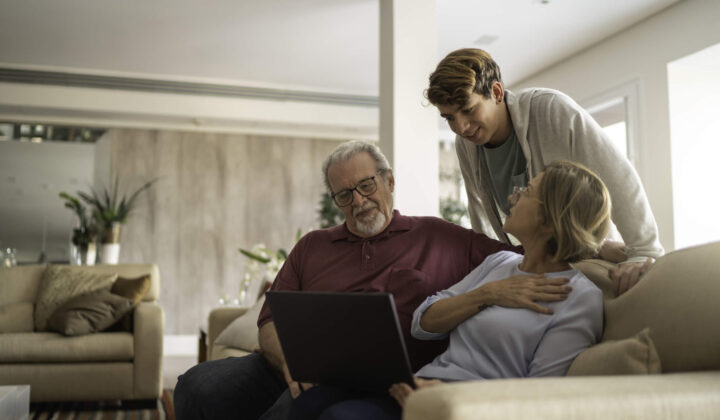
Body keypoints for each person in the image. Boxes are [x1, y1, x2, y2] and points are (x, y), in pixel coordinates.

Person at [173, 141, 569, 420]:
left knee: (295, 408)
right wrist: (289, 361)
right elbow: (269, 321)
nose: (358, 201)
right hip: (293, 367)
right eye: (344, 194)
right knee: (196, 386)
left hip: (383, 380)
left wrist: (614, 253)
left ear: (389, 182)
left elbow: (533, 251)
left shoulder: (443, 236)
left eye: (366, 186)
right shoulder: (312, 246)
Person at [289, 160, 611, 420]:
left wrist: (446, 397)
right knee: (309, 402)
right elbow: (422, 322)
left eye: (527, 191)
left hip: (463, 405)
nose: (513, 196)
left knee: (341, 416)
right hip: (424, 385)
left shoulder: (580, 298)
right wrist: (488, 294)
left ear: (549, 219)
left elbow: (539, 398)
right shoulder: (500, 263)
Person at [427, 48, 662, 295]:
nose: (461, 127)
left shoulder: (550, 109)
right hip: (532, 264)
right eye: (449, 118)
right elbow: (480, 217)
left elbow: (617, 175)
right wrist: (490, 272)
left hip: (587, 258)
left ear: (496, 92)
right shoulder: (466, 145)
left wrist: (643, 252)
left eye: (468, 109)